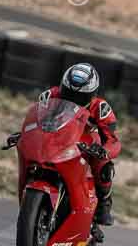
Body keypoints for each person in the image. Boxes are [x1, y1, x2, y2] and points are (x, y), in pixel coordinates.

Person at [45, 63, 122, 229]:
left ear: (91, 95)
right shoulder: (51, 95)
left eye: (79, 98)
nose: (73, 100)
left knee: (104, 167)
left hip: (85, 146)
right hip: (55, 141)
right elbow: (36, 118)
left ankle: (104, 204)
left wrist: (103, 151)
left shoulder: (101, 108)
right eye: (69, 94)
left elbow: (113, 140)